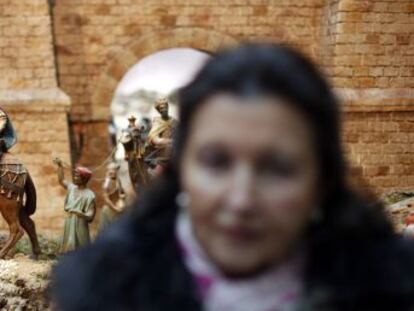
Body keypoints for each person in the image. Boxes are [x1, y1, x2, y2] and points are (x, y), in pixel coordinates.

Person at [52, 44, 414, 310]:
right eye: (216, 162)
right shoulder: (103, 293)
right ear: (183, 172)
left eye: (278, 168)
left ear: (322, 179)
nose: (241, 199)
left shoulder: (391, 289)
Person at [53, 158, 96, 253]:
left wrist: (81, 214)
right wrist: (60, 166)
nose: (74, 177)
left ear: (84, 179)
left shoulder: (90, 195)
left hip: (80, 222)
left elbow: (91, 213)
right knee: (69, 245)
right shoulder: (71, 188)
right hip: (69, 220)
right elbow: (61, 180)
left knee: (81, 245)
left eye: (77, 176)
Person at [146, 97, 178, 168]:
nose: (164, 109)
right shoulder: (157, 122)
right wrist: (168, 141)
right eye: (161, 108)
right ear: (158, 110)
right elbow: (154, 138)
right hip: (162, 153)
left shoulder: (174, 121)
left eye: (165, 107)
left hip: (176, 152)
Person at [99, 162, 126, 231]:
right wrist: (115, 208)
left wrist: (122, 196)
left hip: (118, 207)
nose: (115, 171)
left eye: (116, 170)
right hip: (110, 209)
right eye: (114, 170)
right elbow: (106, 199)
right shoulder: (106, 184)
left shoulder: (118, 181)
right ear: (109, 171)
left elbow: (121, 192)